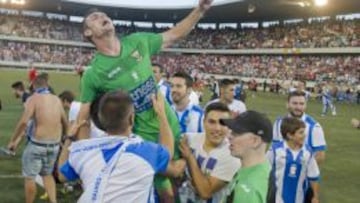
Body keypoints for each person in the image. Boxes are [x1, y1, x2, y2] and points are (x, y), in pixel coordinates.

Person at [76, 1, 213, 200]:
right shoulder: (94, 74)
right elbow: (83, 117)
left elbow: (175, 34)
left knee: (187, 175)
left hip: (168, 121)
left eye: (103, 14)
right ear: (88, 33)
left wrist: (200, 10)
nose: (102, 17)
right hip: (141, 137)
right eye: (94, 18)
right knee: (167, 188)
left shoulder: (138, 41)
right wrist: (84, 155)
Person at [58, 90, 185, 203]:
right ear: (131, 119)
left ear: (101, 121)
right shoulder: (145, 151)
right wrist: (162, 114)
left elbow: (62, 175)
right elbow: (168, 150)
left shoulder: (85, 151)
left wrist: (69, 138)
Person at [7, 75, 68, 203]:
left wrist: (13, 140)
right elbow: (65, 122)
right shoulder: (57, 99)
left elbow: (24, 122)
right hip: (54, 145)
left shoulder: (33, 99)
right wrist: (65, 139)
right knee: (47, 175)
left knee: (30, 177)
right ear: (46, 86)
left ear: (34, 86)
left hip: (37, 145)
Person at [178, 102, 240, 202]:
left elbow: (205, 192)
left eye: (223, 123)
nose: (217, 128)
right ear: (203, 122)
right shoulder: (189, 139)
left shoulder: (232, 155)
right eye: (212, 122)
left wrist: (189, 157)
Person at [220, 110, 272, 203]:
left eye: (236, 133)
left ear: (255, 141)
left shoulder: (248, 189)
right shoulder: (259, 169)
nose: (229, 136)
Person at [267, 117, 320, 203]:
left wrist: (315, 197)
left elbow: (313, 176)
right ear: (289, 135)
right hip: (277, 199)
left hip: (300, 199)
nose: (304, 135)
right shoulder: (275, 150)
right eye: (301, 133)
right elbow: (264, 169)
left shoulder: (307, 152)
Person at [273, 91, 327, 164]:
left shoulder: (314, 126)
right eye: (295, 103)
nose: (298, 107)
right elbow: (274, 147)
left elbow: (320, 155)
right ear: (287, 104)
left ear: (306, 105)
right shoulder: (278, 123)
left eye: (302, 104)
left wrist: (303, 170)